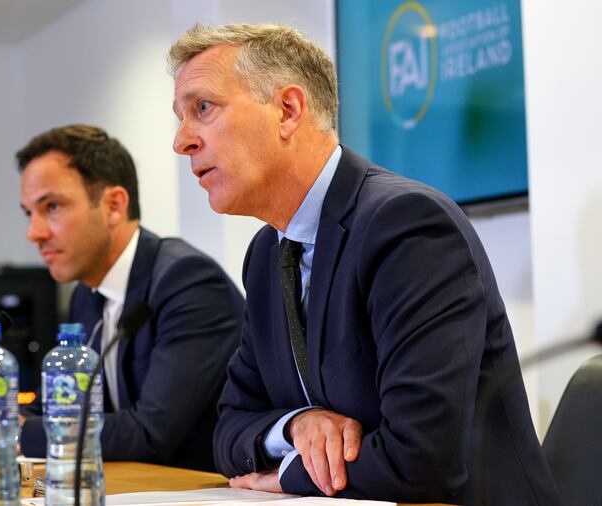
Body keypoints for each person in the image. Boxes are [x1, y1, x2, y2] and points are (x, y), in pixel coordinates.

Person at [169, 23, 559, 504]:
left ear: (288, 110)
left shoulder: (407, 225)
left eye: (202, 108)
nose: (182, 141)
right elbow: (228, 430)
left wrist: (289, 476)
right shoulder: (267, 252)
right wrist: (296, 426)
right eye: (181, 117)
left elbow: (423, 457)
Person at [17, 124, 243, 471]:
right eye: (29, 213)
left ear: (114, 205)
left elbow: (151, 433)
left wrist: (22, 435)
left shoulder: (189, 283)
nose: (35, 233)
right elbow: (69, 407)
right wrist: (4, 417)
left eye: (52, 207)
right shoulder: (86, 295)